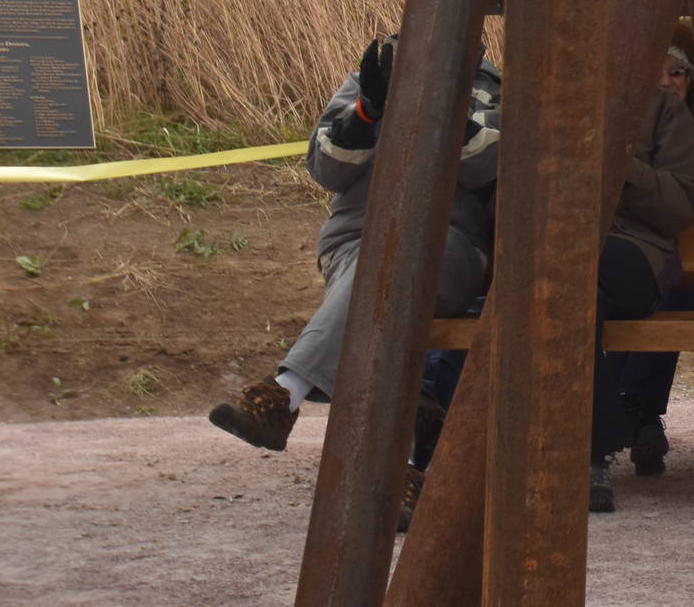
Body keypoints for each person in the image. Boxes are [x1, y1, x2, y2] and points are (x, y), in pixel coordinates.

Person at [209, 35, 499, 461]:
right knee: (379, 263)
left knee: (390, 262)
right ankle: (411, 437)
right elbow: (326, 170)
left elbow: (495, 165)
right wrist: (367, 113)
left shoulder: (497, 89)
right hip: (356, 239)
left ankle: (286, 393)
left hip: (450, 249)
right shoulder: (368, 81)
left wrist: (446, 110)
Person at [587, 39, 694, 512]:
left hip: (635, 251)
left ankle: (594, 447)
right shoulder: (554, 101)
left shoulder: (666, 114)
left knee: (574, 276)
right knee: (569, 290)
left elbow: (682, 205)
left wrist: (624, 168)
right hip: (560, 248)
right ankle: (590, 451)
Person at [607, 30, 694, 484]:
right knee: (619, 287)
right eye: (654, 72)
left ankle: (632, 408)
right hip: (638, 256)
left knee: (682, 294)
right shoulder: (618, 130)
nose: (667, 81)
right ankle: (635, 415)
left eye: (677, 71)